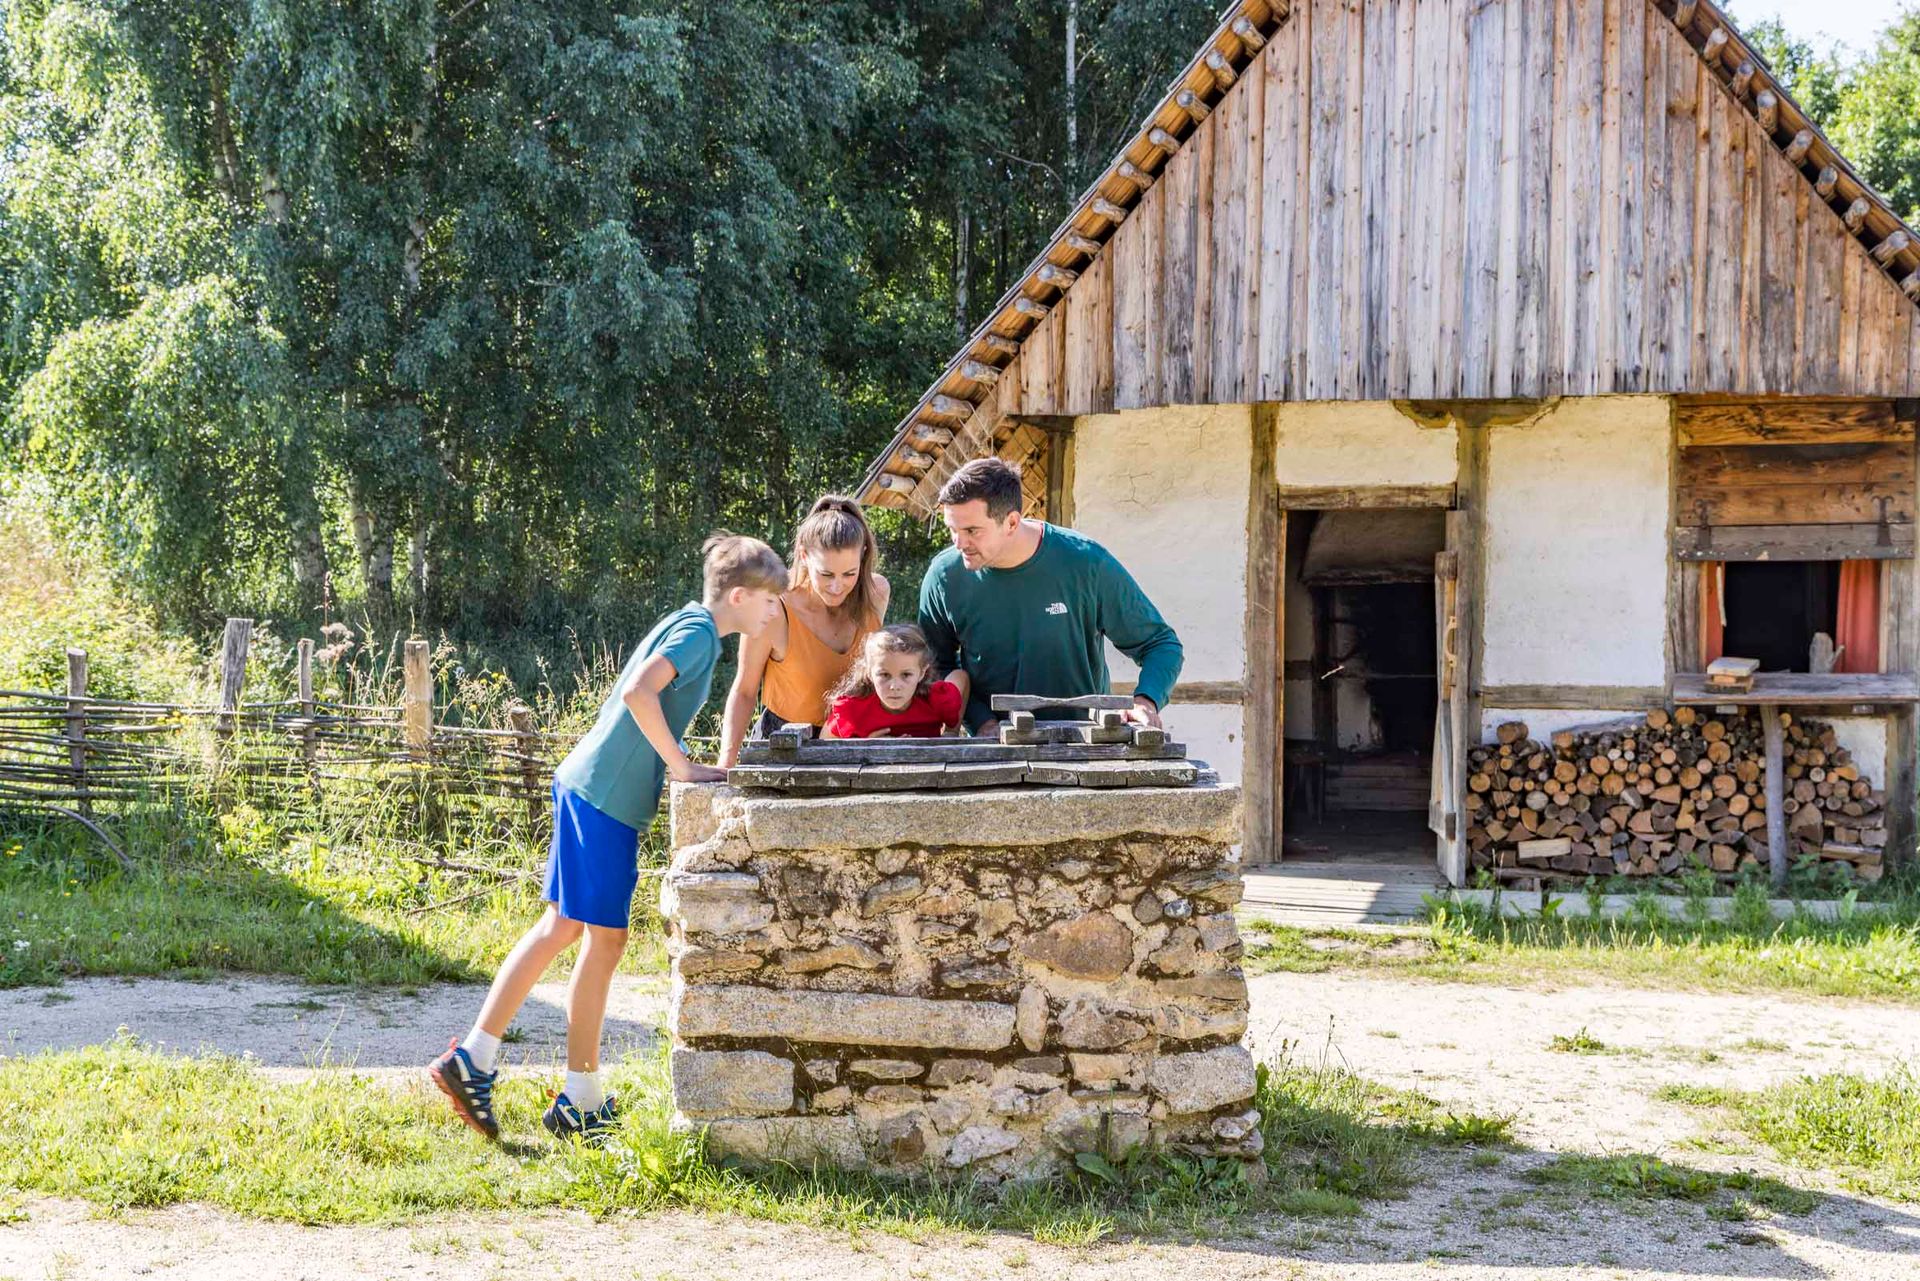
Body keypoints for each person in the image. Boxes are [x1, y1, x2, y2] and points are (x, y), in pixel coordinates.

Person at [430, 534, 786, 1144]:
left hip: (591, 789)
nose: (773, 613)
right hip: (602, 801)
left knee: (564, 932)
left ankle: (498, 1067)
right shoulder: (700, 634)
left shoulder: (692, 623)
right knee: (602, 942)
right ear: (739, 595)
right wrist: (679, 765)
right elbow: (637, 692)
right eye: (769, 602)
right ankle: (566, 1093)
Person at [919, 457, 1182, 736]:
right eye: (952, 530)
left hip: (1088, 748)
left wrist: (1146, 701)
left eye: (972, 531)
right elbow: (935, 665)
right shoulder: (943, 576)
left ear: (1011, 522)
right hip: (991, 749)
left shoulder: (1086, 563)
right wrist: (982, 721)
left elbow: (1160, 644)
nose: (959, 543)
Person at [719, 496, 890, 765]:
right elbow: (744, 691)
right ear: (803, 555)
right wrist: (726, 763)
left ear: (864, 556)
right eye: (826, 574)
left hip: (851, 744)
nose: (837, 587)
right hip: (783, 747)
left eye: (849, 574)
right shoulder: (773, 605)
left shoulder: (876, 593)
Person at [821, 624, 965, 739]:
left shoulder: (935, 700)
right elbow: (824, 744)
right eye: (884, 675)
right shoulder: (855, 709)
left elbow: (960, 677)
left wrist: (951, 732)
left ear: (922, 673)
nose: (894, 686)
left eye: (906, 675)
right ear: (869, 673)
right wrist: (865, 746)